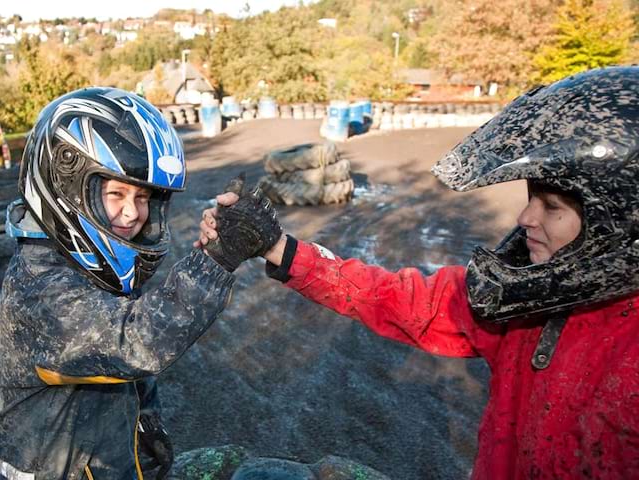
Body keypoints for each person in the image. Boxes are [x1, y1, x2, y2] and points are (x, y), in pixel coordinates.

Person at [198, 66, 639, 478]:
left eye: (553, 208)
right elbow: (397, 299)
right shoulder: (525, 298)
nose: (525, 217)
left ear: (618, 223)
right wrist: (278, 248)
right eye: (531, 197)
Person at [0, 87, 279, 480]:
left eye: (143, 197)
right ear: (65, 186)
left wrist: (144, 422)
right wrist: (216, 260)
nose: (132, 213)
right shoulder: (39, 291)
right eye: (116, 193)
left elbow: (122, 371)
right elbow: (136, 341)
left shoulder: (89, 273)